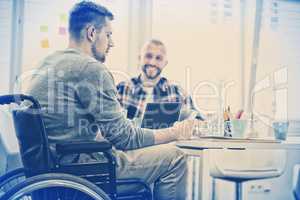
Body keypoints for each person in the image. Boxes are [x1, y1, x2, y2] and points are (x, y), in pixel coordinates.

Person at [26, 1, 198, 200]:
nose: (112, 42)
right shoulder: (90, 68)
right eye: (108, 35)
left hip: (52, 169)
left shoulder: (46, 63)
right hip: (83, 171)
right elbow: (125, 137)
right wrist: (175, 132)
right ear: (92, 33)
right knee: (175, 157)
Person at [117, 39, 204, 121]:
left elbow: (198, 121)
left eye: (158, 58)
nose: (152, 62)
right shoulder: (122, 89)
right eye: (148, 56)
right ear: (140, 58)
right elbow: (109, 124)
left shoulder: (177, 92)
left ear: (165, 63)